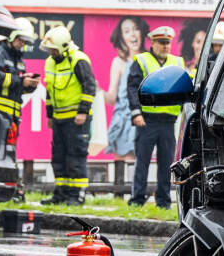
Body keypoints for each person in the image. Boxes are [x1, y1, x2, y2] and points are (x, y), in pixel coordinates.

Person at [127, 25, 185, 209]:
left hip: (168, 122)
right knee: (142, 161)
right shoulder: (142, 60)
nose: (165, 46)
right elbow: (132, 88)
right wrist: (136, 112)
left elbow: (184, 88)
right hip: (147, 120)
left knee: (166, 164)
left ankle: (163, 202)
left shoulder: (177, 62)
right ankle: (137, 200)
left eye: (167, 43)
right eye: (161, 42)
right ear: (152, 43)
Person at [40, 26, 96, 205]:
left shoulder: (78, 60)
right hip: (58, 118)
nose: (51, 52)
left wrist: (82, 111)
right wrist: (49, 115)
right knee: (59, 157)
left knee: (75, 157)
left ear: (63, 46)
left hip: (76, 119)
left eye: (54, 49)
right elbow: (49, 90)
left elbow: (89, 87)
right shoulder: (50, 62)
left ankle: (76, 195)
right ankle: (61, 194)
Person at [105, 16, 148, 161]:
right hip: (123, 124)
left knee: (142, 168)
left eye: (136, 29)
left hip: (144, 120)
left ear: (142, 32)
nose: (133, 34)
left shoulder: (149, 60)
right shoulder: (118, 63)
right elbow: (111, 98)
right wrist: (97, 91)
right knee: (123, 171)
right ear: (122, 37)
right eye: (127, 31)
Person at [0, 18, 39, 121]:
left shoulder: (20, 61)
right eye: (20, 40)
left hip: (14, 114)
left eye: (25, 41)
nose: (22, 44)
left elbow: (18, 87)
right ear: (11, 36)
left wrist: (30, 85)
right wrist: (21, 81)